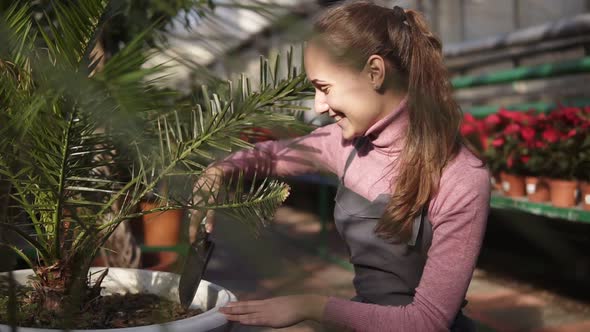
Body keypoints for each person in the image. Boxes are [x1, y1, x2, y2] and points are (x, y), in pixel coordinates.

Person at [196, 1, 491, 331]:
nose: (318, 105)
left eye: (324, 88)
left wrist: (310, 306)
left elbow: (427, 322)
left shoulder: (461, 177)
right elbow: (274, 155)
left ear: (374, 72)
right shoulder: (344, 143)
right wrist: (217, 170)